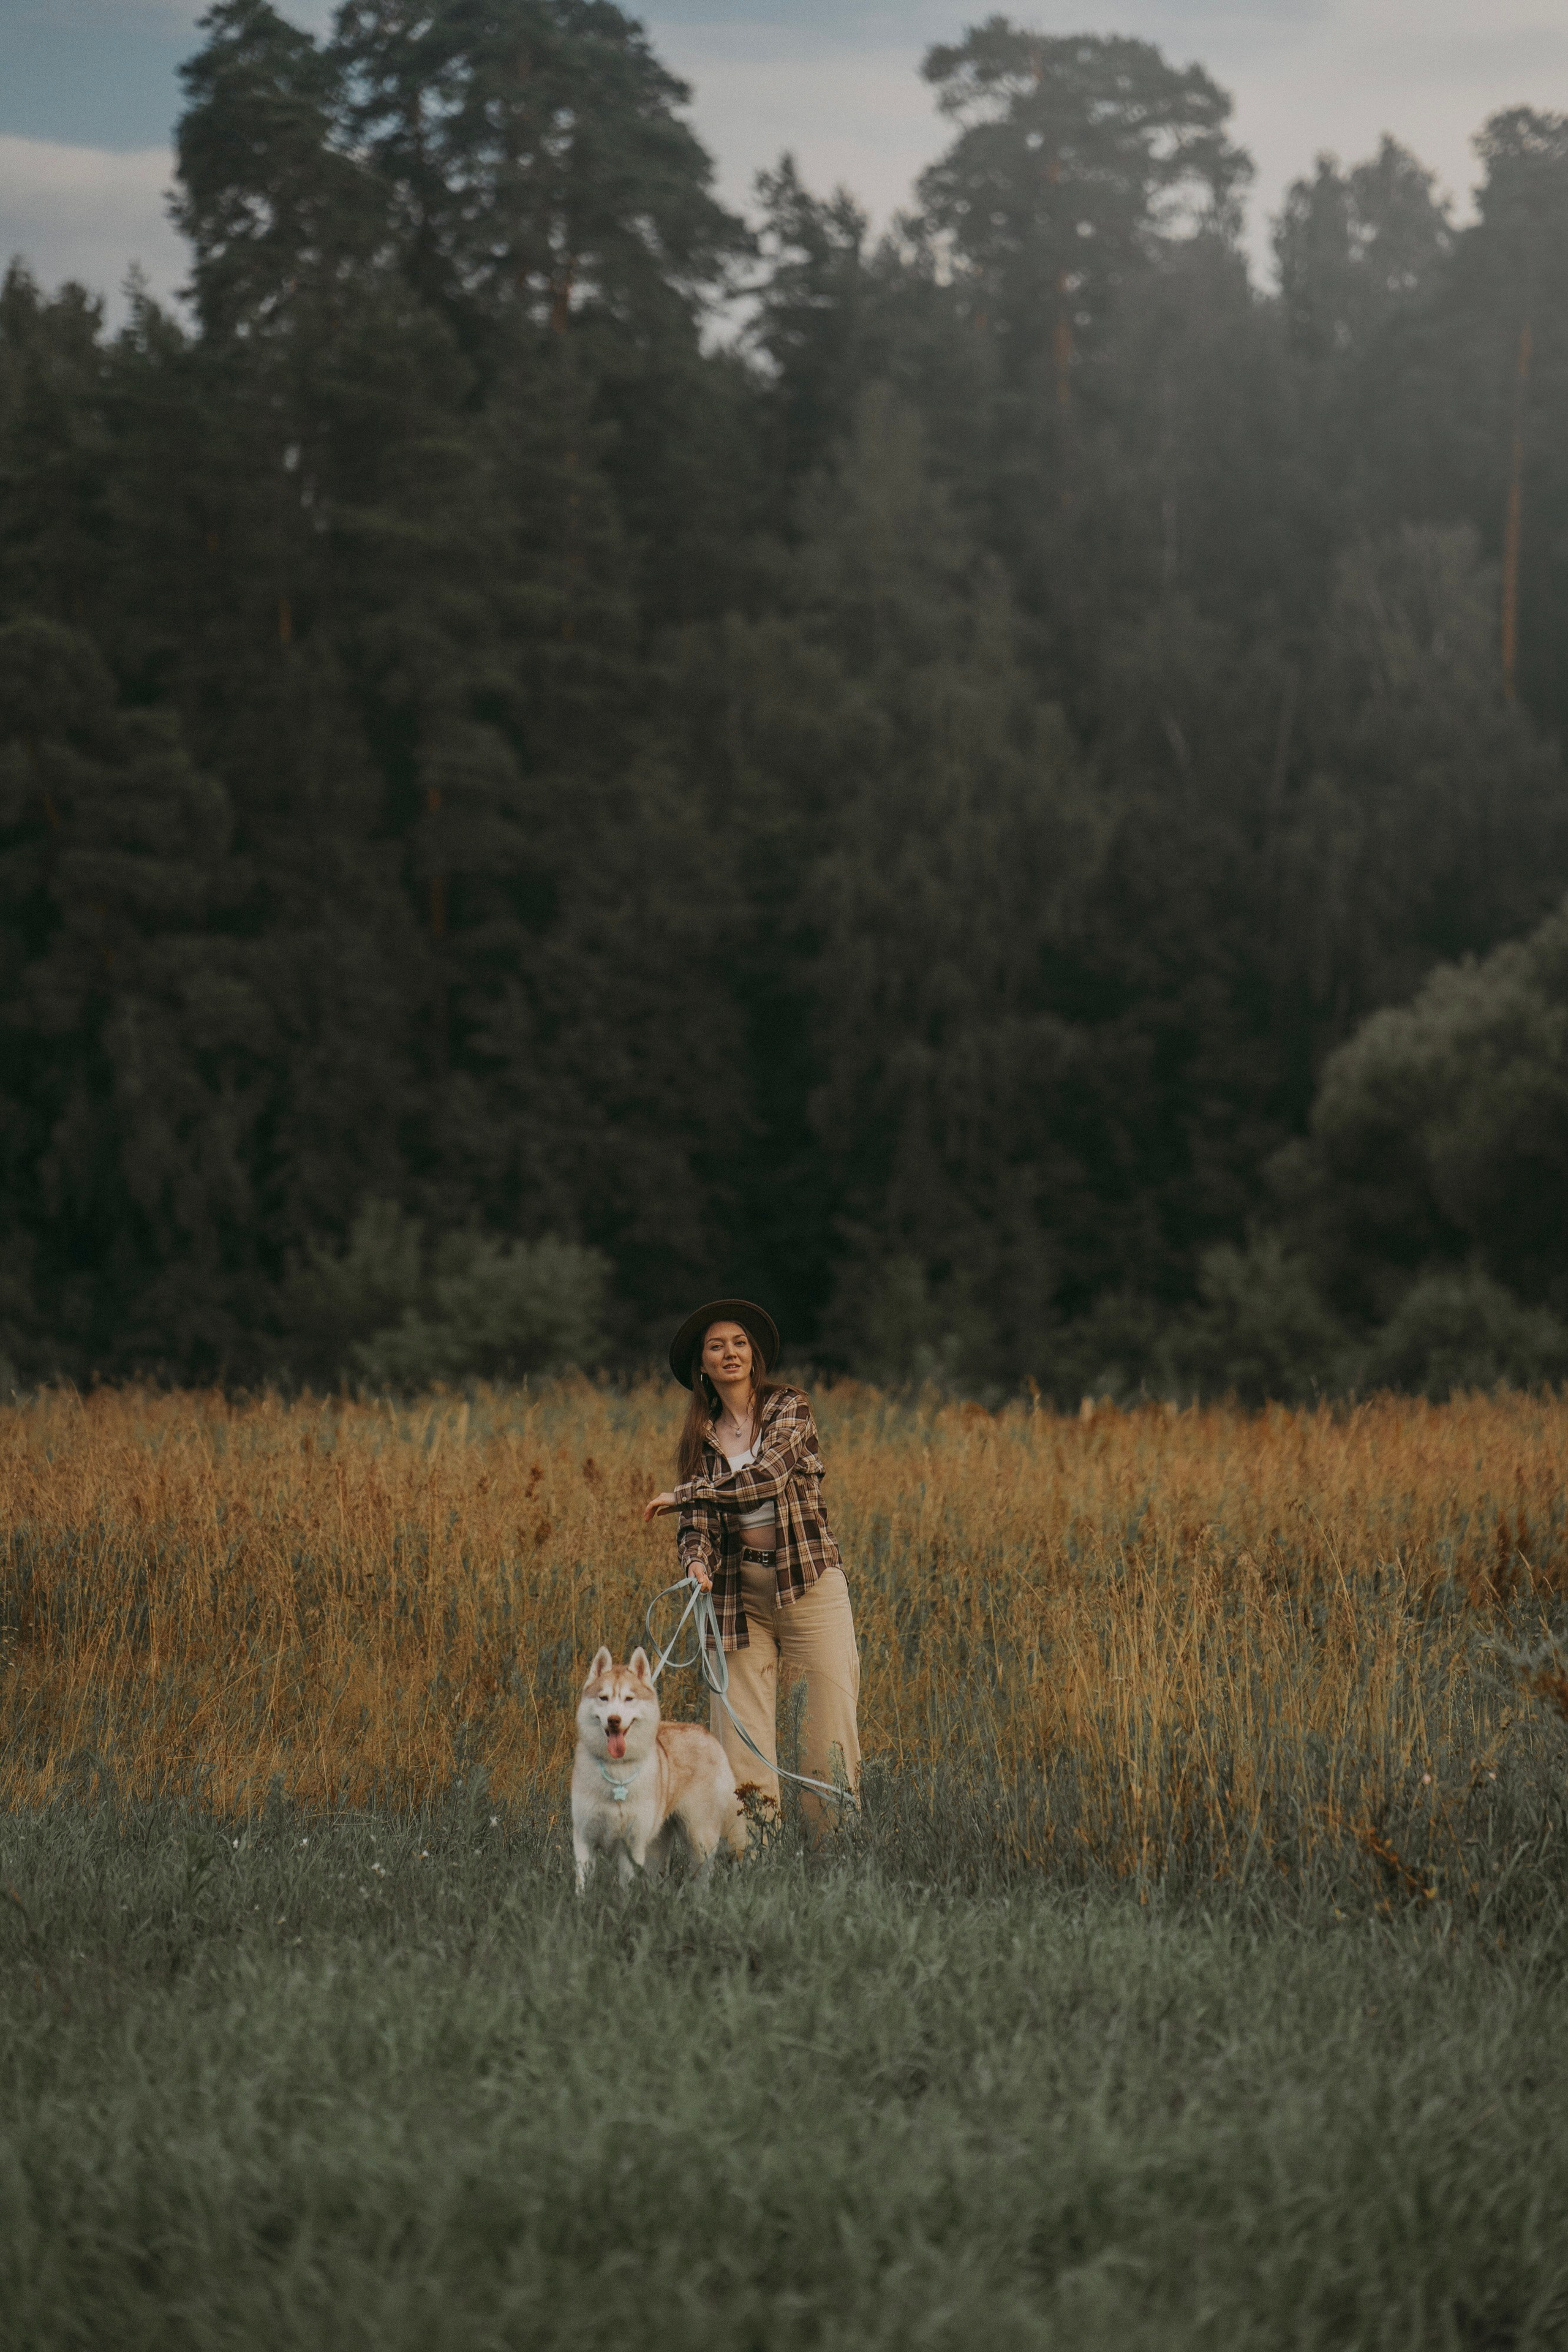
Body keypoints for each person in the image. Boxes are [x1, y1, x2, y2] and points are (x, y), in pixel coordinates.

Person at [641, 1298, 860, 1828]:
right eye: (716, 1347)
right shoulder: (701, 1437)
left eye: (739, 1343)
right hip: (738, 1596)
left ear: (754, 1355)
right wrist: (696, 1563)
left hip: (809, 1585)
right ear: (703, 1365)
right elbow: (696, 1527)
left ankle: (837, 1854)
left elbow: (767, 1478)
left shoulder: (790, 1408)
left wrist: (687, 1493)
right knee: (741, 1741)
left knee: (828, 1734)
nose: (729, 1353)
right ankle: (754, 1861)